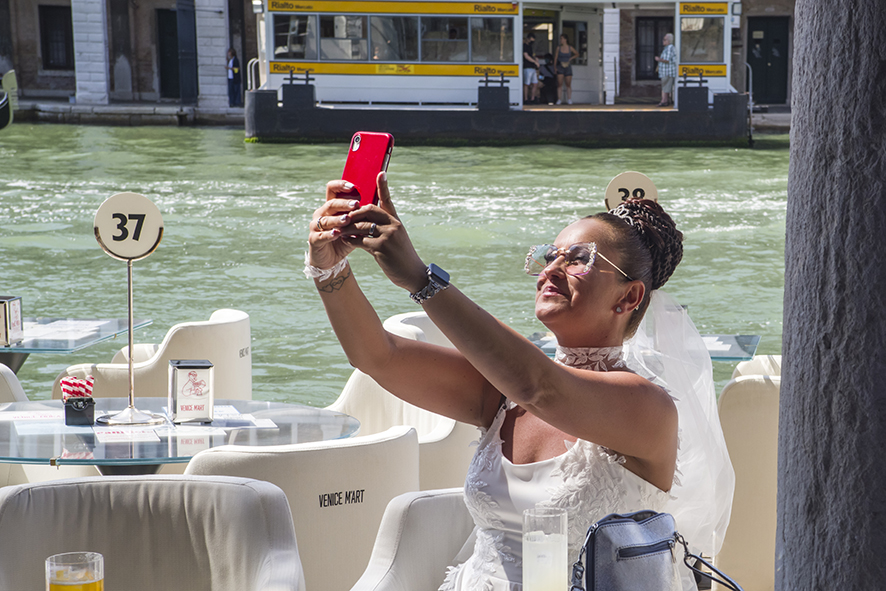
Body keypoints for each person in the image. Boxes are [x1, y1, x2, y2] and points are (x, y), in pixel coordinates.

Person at [305, 174, 734, 591]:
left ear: (629, 297)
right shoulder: (502, 393)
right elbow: (379, 357)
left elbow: (541, 388)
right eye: (550, 255)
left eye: (579, 258)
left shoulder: (646, 407)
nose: (553, 269)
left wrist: (421, 278)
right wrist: (330, 270)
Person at [654, 33, 677, 107]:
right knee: (665, 86)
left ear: (669, 40)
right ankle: (665, 101)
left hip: (667, 71)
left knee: (666, 86)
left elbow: (667, 60)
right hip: (666, 71)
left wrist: (659, 59)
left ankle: (664, 101)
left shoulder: (670, 48)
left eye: (665, 39)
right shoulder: (667, 48)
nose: (663, 41)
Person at [555, 34, 579, 105]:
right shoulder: (558, 48)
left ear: (565, 40)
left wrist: (571, 58)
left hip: (568, 66)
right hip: (560, 66)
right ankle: (559, 99)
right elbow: (556, 57)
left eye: (562, 39)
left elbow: (577, 54)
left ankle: (569, 99)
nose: (561, 40)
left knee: (568, 84)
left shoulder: (570, 48)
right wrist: (555, 67)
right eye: (560, 39)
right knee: (560, 84)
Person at [522, 32, 540, 105]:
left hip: (532, 67)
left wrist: (535, 59)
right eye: (531, 40)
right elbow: (526, 56)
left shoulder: (530, 47)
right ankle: (525, 99)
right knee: (527, 84)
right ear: (528, 39)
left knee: (535, 83)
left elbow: (531, 55)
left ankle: (532, 98)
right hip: (527, 67)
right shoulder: (524, 46)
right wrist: (535, 62)